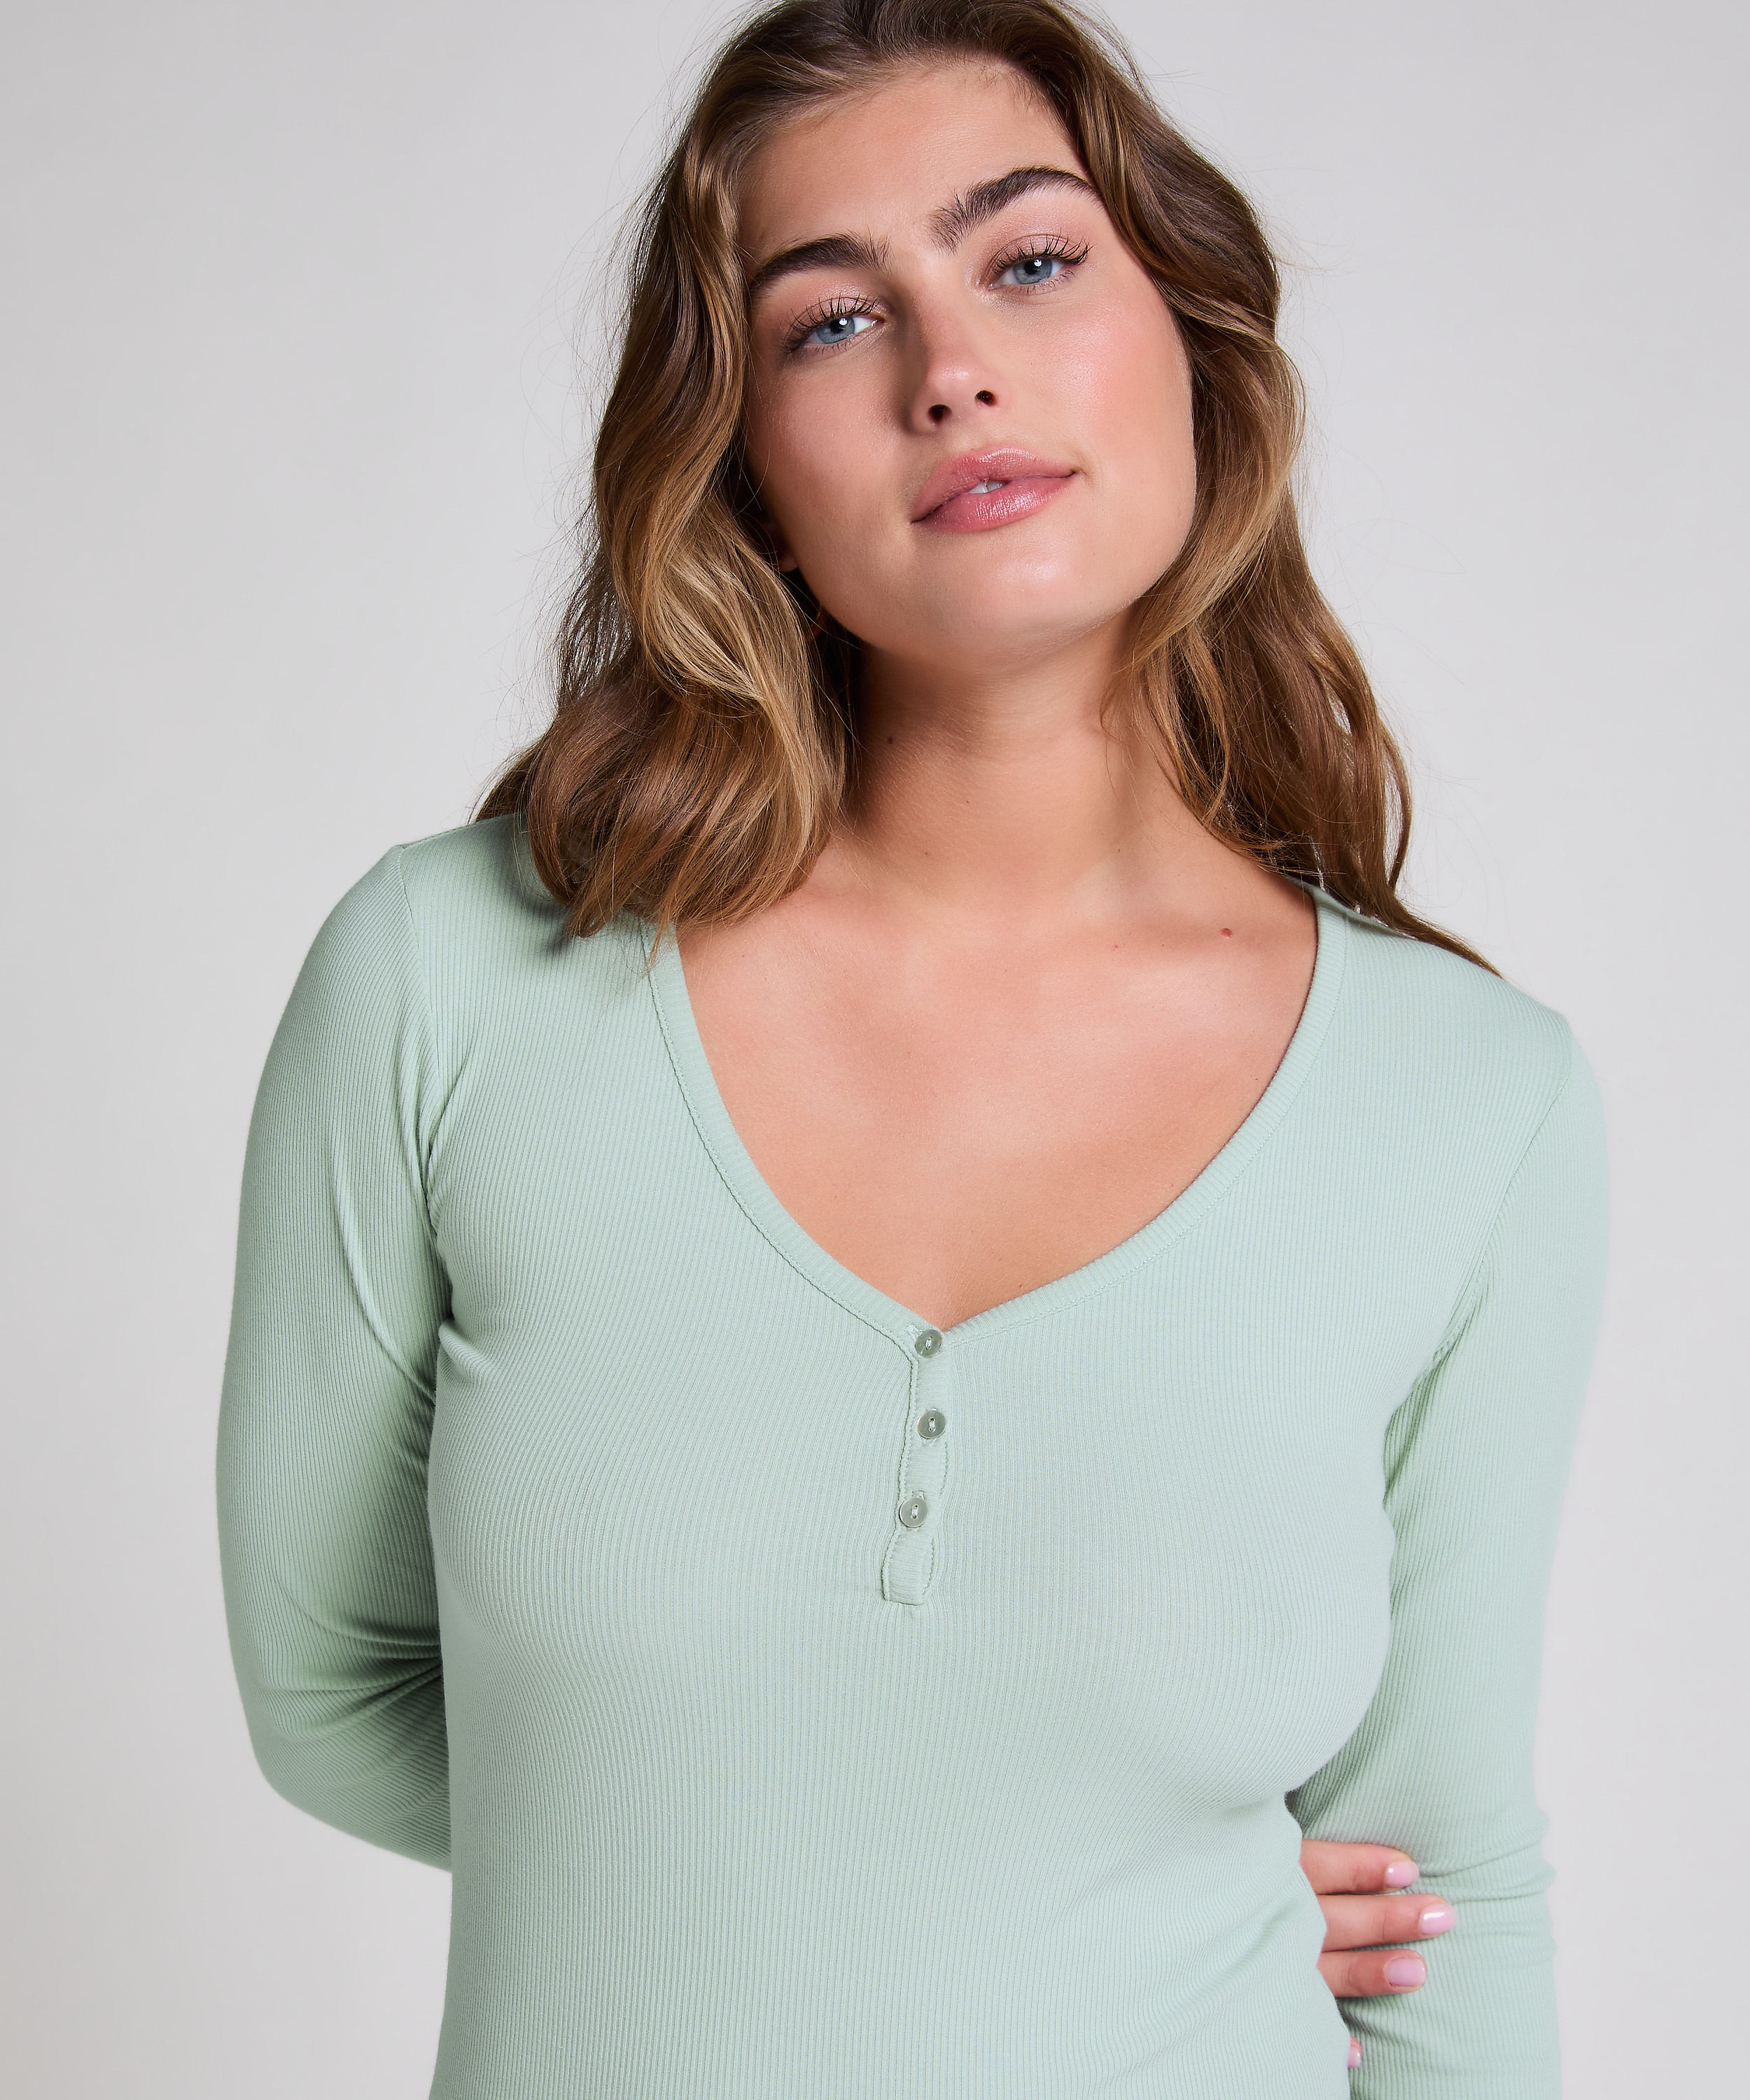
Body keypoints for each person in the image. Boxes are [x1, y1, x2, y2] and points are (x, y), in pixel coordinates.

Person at [214, 1, 1609, 2094]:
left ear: (1194, 344)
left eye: (1028, 259)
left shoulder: (1471, 1106)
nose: (948, 368)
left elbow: (1444, 1884)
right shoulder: (452, 982)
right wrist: (944, 1891)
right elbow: (328, 1688)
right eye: (831, 321)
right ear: (746, 468)